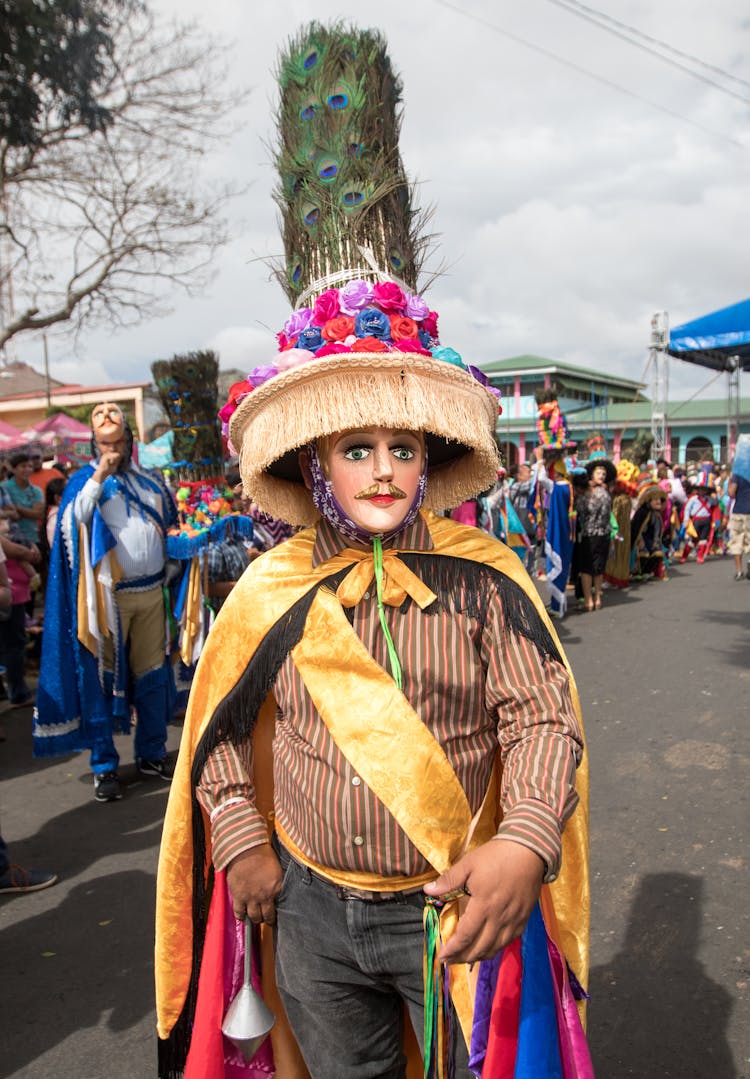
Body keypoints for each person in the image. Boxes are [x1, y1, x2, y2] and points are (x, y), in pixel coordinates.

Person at [155, 293, 591, 1078]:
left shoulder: (486, 578)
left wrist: (526, 837)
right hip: (309, 911)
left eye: (404, 448)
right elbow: (218, 731)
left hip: (454, 911)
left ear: (431, 459)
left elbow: (542, 718)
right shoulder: (269, 588)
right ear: (315, 460)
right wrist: (238, 830)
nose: (384, 469)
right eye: (357, 447)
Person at [33, 402, 178, 803]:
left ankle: (151, 753)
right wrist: (99, 474)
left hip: (151, 592)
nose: (111, 449)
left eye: (117, 442)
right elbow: (75, 520)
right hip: (107, 602)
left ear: (130, 441)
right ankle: (105, 766)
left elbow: (169, 523)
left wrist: (173, 562)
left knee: (151, 677)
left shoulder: (151, 481)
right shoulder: (85, 482)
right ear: (94, 445)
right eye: (102, 443)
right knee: (102, 683)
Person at [574, 458, 615, 610]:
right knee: (599, 567)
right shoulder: (605, 493)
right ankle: (597, 598)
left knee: (587, 568)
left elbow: (579, 513)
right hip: (603, 534)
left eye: (603, 474)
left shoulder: (585, 494)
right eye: (599, 473)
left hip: (589, 535)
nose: (602, 476)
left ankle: (588, 600)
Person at [727, 459, 750, 580]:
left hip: (739, 511)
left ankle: (739, 571)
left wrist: (730, 481)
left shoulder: (738, 475)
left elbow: (731, 493)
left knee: (737, 541)